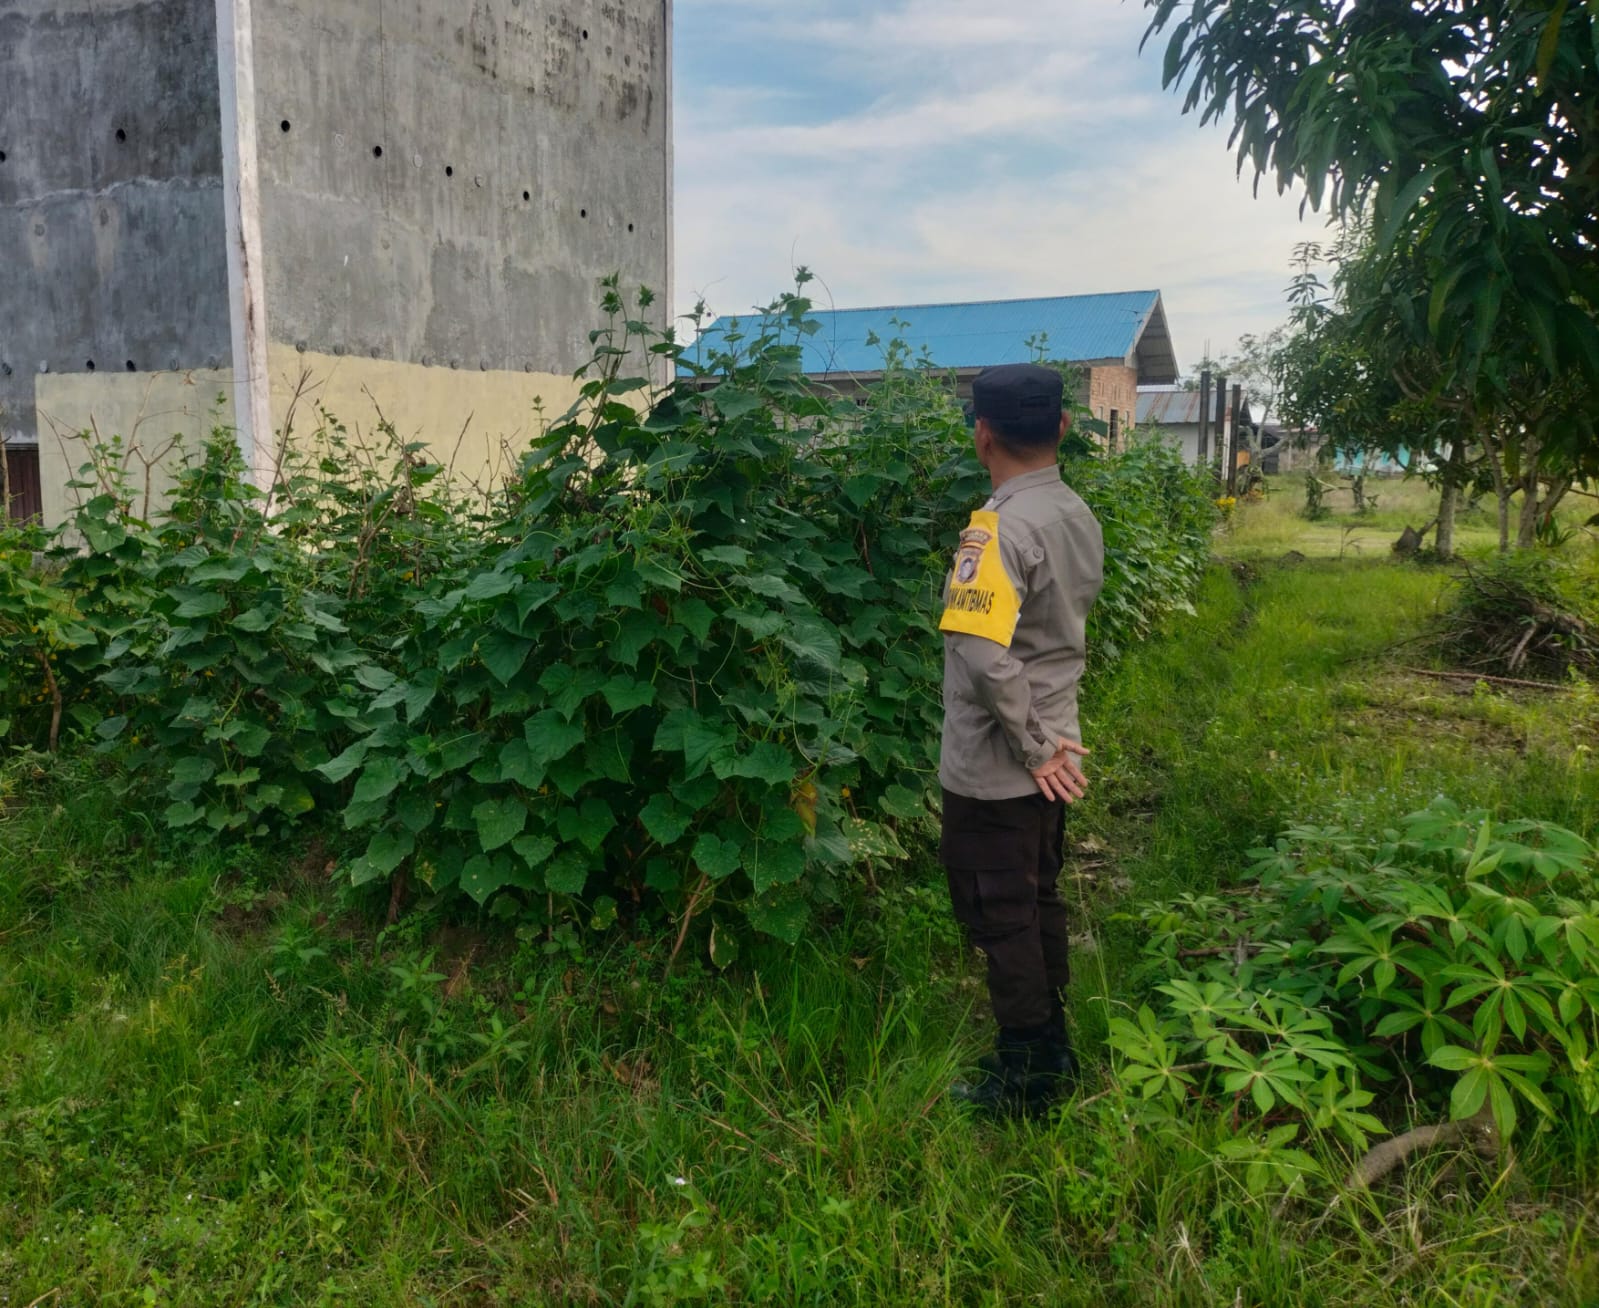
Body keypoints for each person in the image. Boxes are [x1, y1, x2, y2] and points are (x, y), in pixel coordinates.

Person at [938, 362, 1104, 1116]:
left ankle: (1027, 1075)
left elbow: (980, 652)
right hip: (1055, 752)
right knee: (1035, 900)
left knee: (1000, 911)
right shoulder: (1074, 513)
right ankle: (1051, 1045)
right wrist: (1049, 747)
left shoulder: (998, 528)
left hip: (1006, 764)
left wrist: (1030, 748)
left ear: (982, 435)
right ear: (1062, 427)